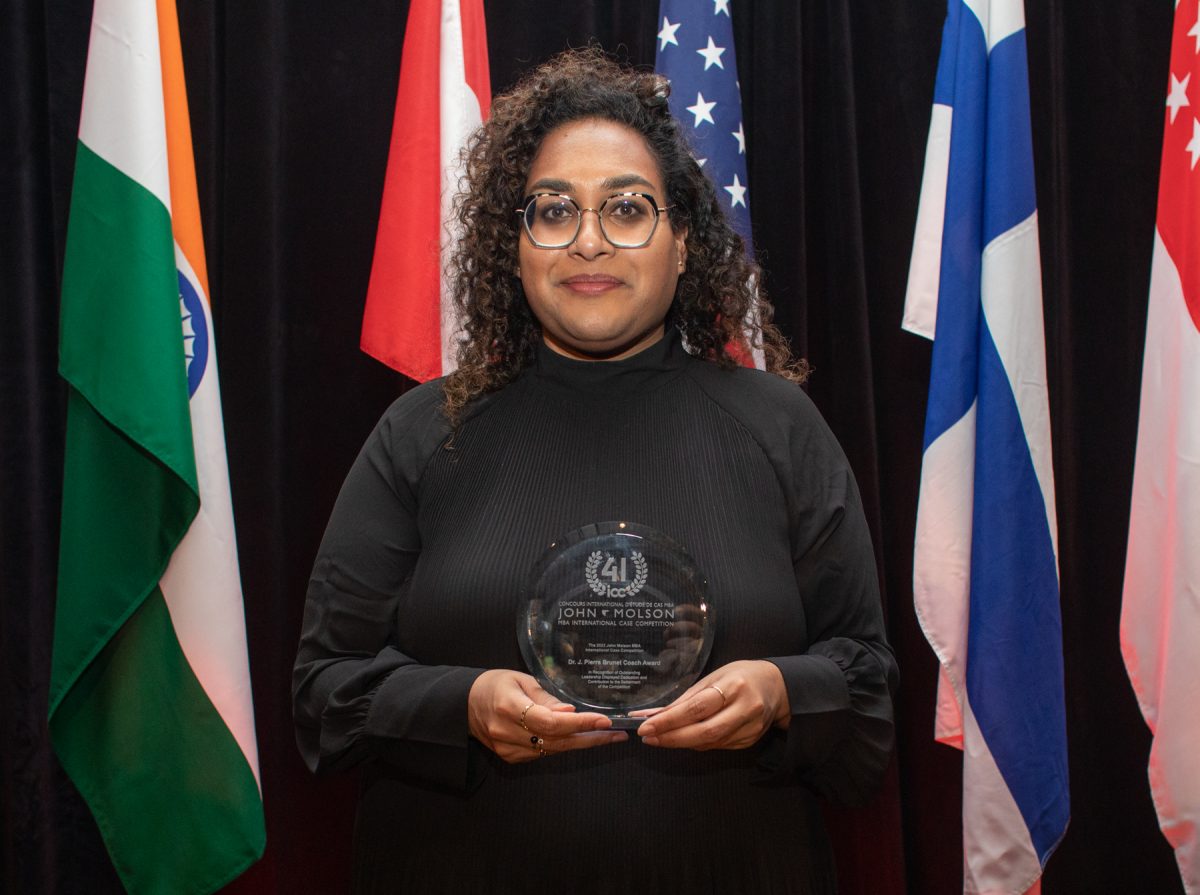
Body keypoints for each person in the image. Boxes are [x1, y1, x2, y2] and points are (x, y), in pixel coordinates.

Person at [293, 48, 897, 894]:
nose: (588, 240)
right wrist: (459, 706)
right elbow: (324, 695)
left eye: (626, 208)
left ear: (683, 242)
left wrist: (781, 691)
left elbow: (869, 686)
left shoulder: (779, 426)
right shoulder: (424, 432)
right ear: (516, 242)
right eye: (553, 210)